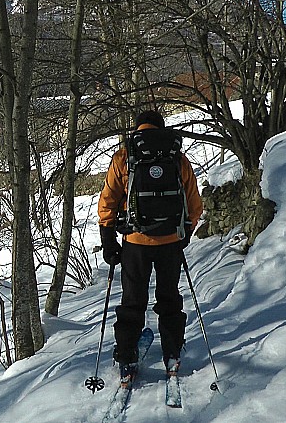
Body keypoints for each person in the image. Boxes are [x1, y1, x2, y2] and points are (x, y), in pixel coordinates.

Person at [97, 109, 203, 383]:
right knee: (169, 298)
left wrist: (108, 240)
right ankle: (172, 352)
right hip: (170, 241)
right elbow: (194, 205)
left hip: (135, 242)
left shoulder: (125, 157)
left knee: (133, 300)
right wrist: (184, 232)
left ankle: (127, 356)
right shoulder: (177, 158)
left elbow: (108, 201)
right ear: (161, 128)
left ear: (138, 129)